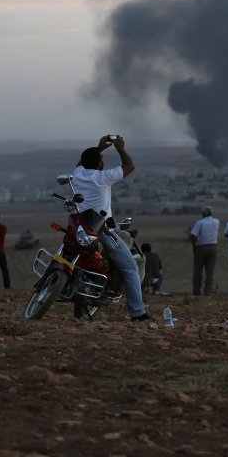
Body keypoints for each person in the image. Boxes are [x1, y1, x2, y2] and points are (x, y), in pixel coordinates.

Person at [72, 135, 149, 321]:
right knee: (131, 266)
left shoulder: (78, 175)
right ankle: (138, 312)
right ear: (99, 164)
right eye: (101, 161)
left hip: (81, 228)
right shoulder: (102, 177)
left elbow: (81, 163)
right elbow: (130, 167)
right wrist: (120, 148)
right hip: (103, 231)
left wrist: (99, 148)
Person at [190, 206, 220, 296]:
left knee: (198, 271)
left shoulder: (200, 223)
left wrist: (194, 246)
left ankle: (196, 291)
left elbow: (193, 235)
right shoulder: (216, 221)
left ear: (203, 214)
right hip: (213, 247)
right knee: (210, 272)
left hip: (201, 248)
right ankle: (207, 292)